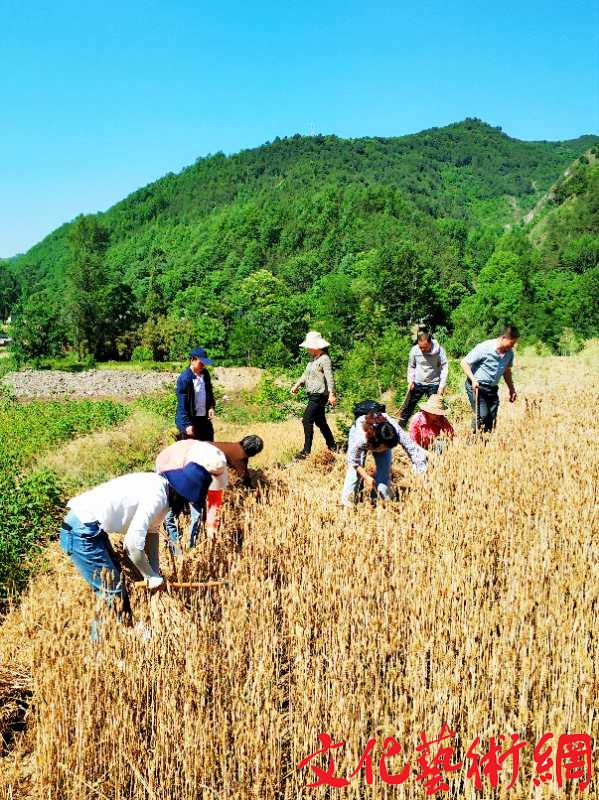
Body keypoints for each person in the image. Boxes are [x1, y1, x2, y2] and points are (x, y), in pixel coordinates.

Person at [59, 463, 212, 627]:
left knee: (114, 586)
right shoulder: (157, 496)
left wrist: (154, 572)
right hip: (81, 531)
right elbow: (131, 544)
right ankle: (109, 638)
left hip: (90, 527)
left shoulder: (162, 489)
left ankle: (123, 631)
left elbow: (151, 532)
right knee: (112, 593)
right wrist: (150, 576)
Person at [341, 411, 427, 507]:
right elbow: (353, 461)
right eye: (384, 447)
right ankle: (347, 505)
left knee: (383, 476)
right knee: (354, 476)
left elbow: (412, 449)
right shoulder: (361, 439)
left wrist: (421, 474)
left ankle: (380, 503)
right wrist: (366, 477)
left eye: (388, 448)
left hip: (380, 437)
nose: (386, 450)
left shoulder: (393, 432)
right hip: (365, 435)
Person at [155, 440, 228, 550]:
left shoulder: (215, 467)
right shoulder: (177, 460)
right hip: (175, 481)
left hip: (195, 484)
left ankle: (191, 548)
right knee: (169, 517)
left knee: (196, 516)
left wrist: (211, 523)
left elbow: (213, 501)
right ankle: (177, 550)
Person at [460, 325, 519, 433]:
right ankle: (473, 440)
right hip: (477, 387)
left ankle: (485, 441)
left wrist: (511, 389)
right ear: (503, 338)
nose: (513, 346)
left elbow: (506, 372)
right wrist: (473, 379)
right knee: (481, 416)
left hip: (492, 389)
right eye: (511, 343)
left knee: (491, 419)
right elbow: (464, 363)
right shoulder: (485, 347)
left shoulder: (509, 353)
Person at [290, 331, 337, 459]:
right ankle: (332, 446)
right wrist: (297, 385)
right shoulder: (312, 360)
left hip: (319, 395)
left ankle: (306, 452)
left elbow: (330, 378)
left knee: (307, 420)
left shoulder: (325, 359)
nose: (307, 349)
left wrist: (332, 394)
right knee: (320, 422)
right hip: (313, 394)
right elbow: (305, 375)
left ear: (316, 347)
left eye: (309, 346)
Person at [399, 330, 449, 428]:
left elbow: (444, 367)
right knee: (408, 407)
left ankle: (438, 432)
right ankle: (399, 429)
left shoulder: (439, 350)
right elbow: (411, 366)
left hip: (434, 383)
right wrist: (410, 381)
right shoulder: (414, 350)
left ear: (430, 343)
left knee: (436, 409)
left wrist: (441, 386)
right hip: (418, 383)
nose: (422, 349)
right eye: (420, 347)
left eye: (425, 347)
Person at [175, 347, 216, 441]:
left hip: (204, 420)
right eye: (201, 363)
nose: (203, 365)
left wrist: (211, 407)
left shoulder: (205, 374)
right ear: (192, 360)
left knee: (208, 446)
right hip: (190, 422)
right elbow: (182, 405)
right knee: (191, 449)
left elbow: (209, 392)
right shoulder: (184, 379)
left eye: (204, 363)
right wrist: (187, 425)